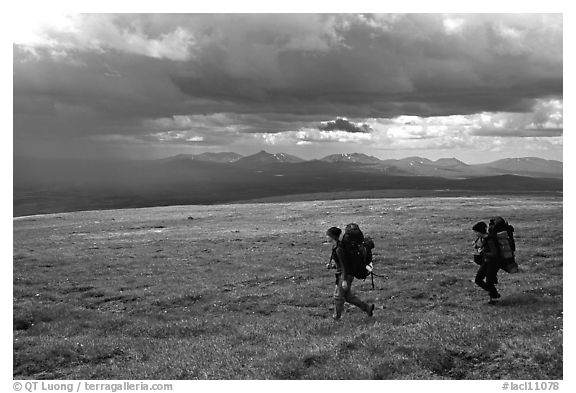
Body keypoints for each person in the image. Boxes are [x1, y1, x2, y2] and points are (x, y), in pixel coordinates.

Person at [326, 226, 375, 320]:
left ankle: (336, 317)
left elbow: (345, 266)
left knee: (338, 296)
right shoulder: (336, 247)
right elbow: (342, 263)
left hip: (345, 275)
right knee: (347, 296)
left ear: (332, 237)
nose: (326, 237)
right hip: (345, 274)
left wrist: (344, 280)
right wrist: (332, 266)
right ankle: (367, 308)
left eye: (328, 235)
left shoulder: (339, 249)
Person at [473, 221, 501, 303]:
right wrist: (478, 247)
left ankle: (494, 298)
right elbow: (486, 249)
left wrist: (482, 253)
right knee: (478, 280)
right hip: (487, 262)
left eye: (476, 232)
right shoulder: (484, 239)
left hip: (493, 263)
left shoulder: (490, 239)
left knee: (489, 282)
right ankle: (494, 295)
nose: (475, 234)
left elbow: (495, 253)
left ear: (479, 231)